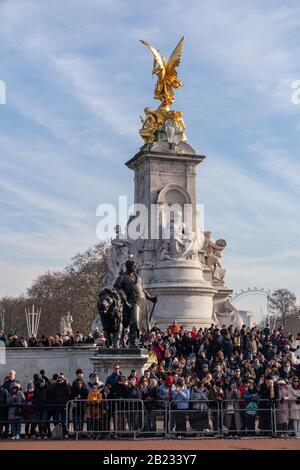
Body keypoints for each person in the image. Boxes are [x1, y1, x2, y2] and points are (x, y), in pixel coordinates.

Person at [114, 259, 157, 348]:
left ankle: (137, 340)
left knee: (143, 324)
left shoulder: (139, 278)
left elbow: (143, 290)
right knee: (134, 321)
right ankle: (133, 341)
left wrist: (151, 298)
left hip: (142, 302)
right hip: (131, 302)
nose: (134, 267)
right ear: (128, 266)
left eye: (135, 265)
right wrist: (123, 297)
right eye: (132, 265)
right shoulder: (122, 277)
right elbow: (116, 289)